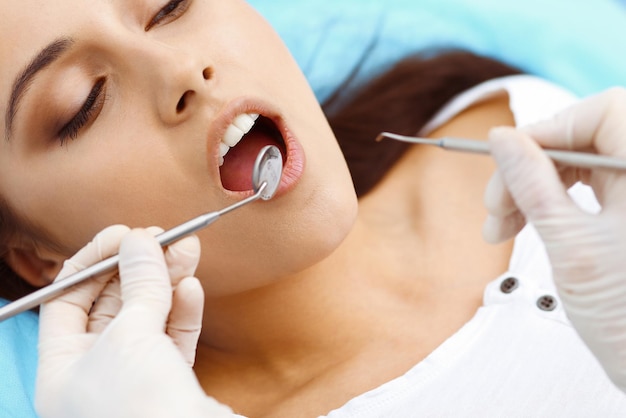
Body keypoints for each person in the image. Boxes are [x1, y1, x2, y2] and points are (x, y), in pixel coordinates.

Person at [1, 1, 626, 417]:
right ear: (41, 259)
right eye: (85, 101)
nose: (181, 69)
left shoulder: (528, 120)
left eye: (170, 6)